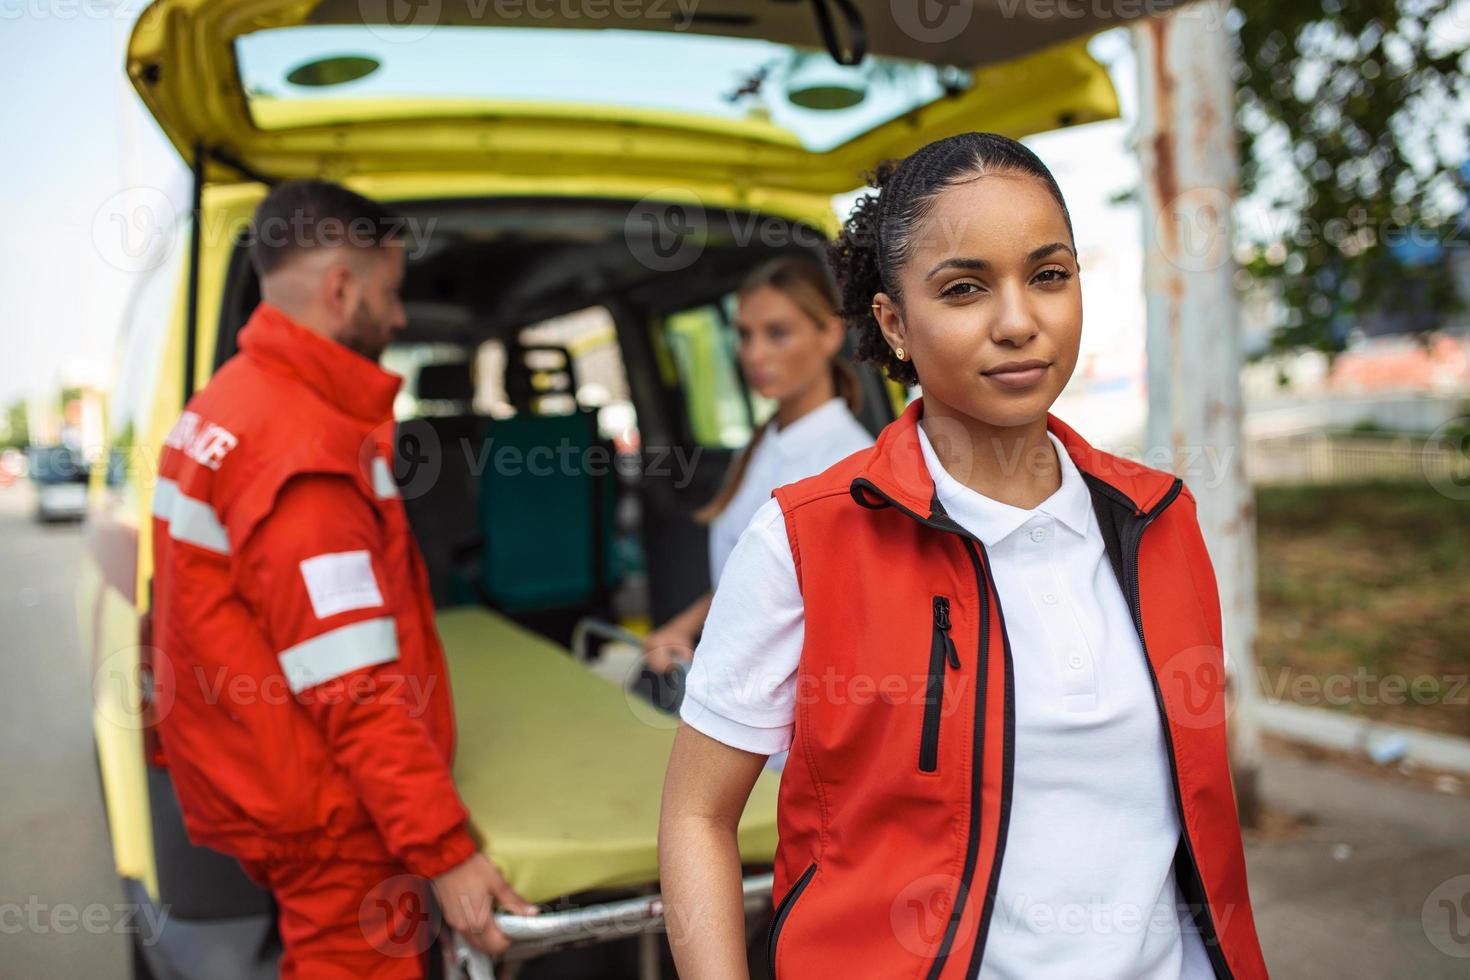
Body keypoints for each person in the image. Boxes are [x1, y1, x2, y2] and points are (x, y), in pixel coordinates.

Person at [658, 134, 1270, 979]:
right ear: (894, 324)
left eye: (1049, 275)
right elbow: (696, 816)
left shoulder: (1159, 517)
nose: (1019, 322)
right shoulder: (805, 537)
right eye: (965, 289)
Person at [151, 179, 535, 978]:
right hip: (334, 823)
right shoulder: (301, 450)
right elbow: (352, 685)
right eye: (391, 294)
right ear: (339, 287)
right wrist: (446, 852)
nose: (398, 317)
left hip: (277, 789)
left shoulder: (225, 405)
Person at [641, 256, 873, 680]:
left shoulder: (849, 466)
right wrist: (684, 627)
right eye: (744, 335)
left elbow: (847, 622)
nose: (754, 354)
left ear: (829, 333)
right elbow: (747, 577)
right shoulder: (761, 442)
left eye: (777, 333)